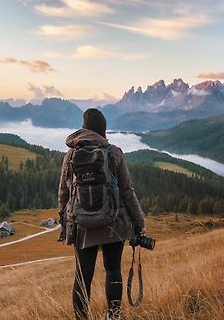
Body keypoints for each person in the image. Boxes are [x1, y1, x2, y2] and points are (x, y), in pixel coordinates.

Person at [58, 108, 145, 320]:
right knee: (113, 270)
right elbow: (127, 190)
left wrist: (64, 220)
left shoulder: (71, 155)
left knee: (82, 276)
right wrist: (139, 221)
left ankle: (81, 318)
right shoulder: (114, 152)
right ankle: (113, 316)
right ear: (103, 129)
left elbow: (64, 191)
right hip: (113, 221)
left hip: (83, 224)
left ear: (84, 127)